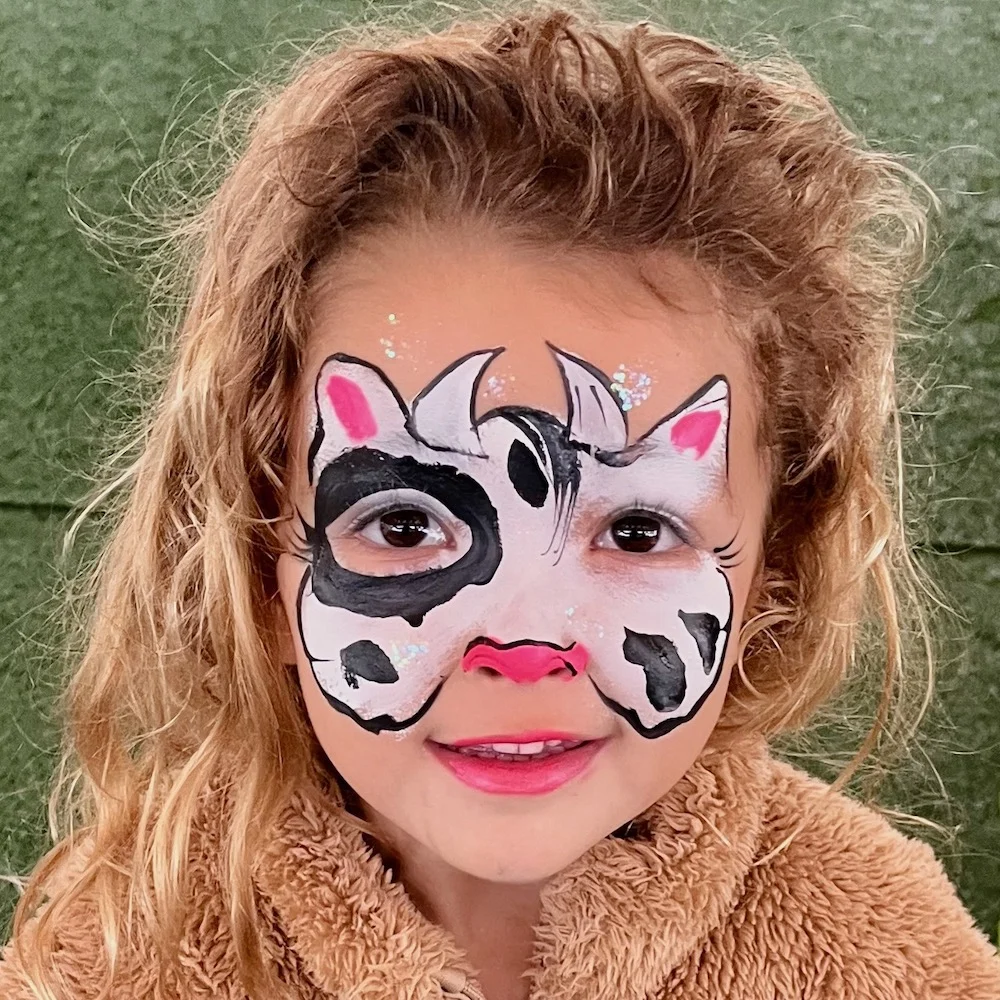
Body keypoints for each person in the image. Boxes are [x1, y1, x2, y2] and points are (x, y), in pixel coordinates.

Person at [2, 5, 998, 999]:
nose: (524, 647)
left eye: (639, 528)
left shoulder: (884, 963)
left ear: (770, 579)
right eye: (403, 523)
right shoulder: (119, 954)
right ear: (261, 566)